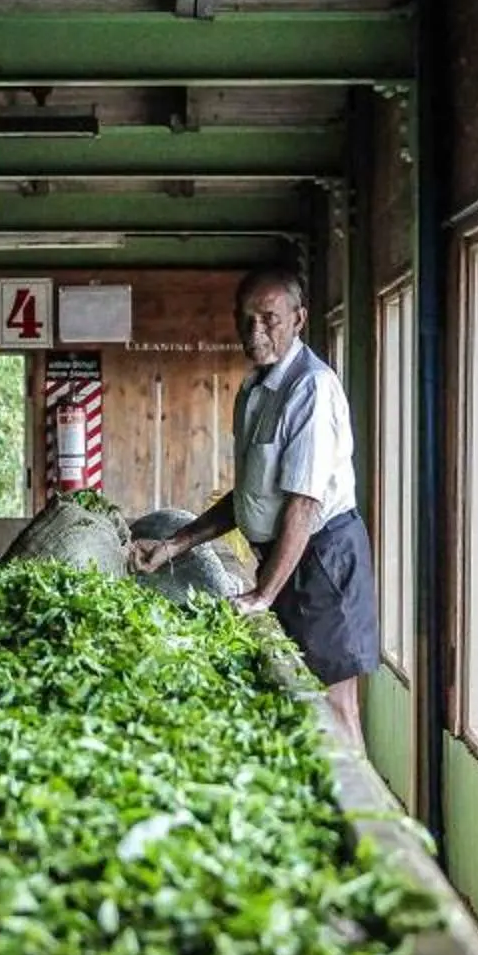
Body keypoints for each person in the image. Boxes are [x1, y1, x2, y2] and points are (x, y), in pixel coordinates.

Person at [130, 264, 380, 734]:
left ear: (299, 318)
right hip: (284, 555)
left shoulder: (310, 387)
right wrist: (170, 547)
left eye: (269, 318)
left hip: (321, 558)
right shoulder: (255, 389)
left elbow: (303, 505)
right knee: (290, 694)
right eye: (246, 319)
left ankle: (356, 806)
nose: (255, 331)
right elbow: (246, 498)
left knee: (331, 701)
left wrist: (264, 594)